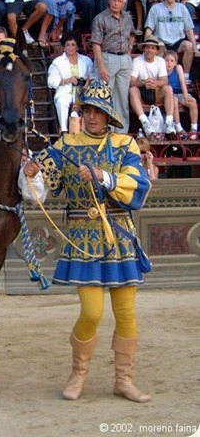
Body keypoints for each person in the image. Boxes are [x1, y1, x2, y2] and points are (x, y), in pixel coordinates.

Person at [34, 80, 152, 403]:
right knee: (92, 312)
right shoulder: (65, 145)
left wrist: (102, 176)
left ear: (108, 114)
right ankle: (78, 373)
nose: (91, 117)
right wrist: (32, 172)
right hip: (82, 236)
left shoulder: (124, 144)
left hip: (118, 235)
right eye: (86, 110)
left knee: (126, 311)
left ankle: (123, 380)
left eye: (97, 111)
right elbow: (43, 186)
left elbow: (138, 186)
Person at [91, 0, 135, 133]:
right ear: (109, 2)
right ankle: (105, 129)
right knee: (105, 95)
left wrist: (129, 49)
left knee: (122, 96)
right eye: (114, 0)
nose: (116, 3)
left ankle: (122, 131)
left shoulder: (127, 17)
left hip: (124, 58)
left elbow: (132, 34)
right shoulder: (100, 18)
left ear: (124, 3)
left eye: (119, 1)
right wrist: (101, 66)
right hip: (108, 56)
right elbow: (96, 43)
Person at [144, 0, 197, 86]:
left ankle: (186, 77)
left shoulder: (182, 8)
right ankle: (161, 77)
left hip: (178, 41)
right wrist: (147, 45)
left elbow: (189, 30)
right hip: (162, 40)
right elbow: (149, 30)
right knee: (160, 45)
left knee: (188, 46)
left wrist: (195, 48)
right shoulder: (156, 8)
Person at [47, 31, 93, 134]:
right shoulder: (57, 62)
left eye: (73, 45)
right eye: (68, 45)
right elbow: (51, 82)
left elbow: (92, 75)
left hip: (83, 91)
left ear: (77, 46)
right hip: (65, 91)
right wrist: (68, 80)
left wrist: (87, 83)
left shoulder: (86, 60)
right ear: (64, 47)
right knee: (62, 101)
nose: (70, 47)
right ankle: (64, 130)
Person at [129, 35, 176, 136]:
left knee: (168, 89)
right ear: (144, 48)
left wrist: (155, 83)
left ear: (156, 50)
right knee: (133, 90)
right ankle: (145, 122)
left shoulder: (161, 61)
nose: (150, 50)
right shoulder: (137, 60)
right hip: (142, 91)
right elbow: (132, 81)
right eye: (147, 47)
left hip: (156, 91)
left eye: (153, 48)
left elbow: (165, 80)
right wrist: (143, 82)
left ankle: (169, 122)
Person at [164, 50, 198, 139]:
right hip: (171, 95)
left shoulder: (178, 67)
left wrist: (186, 96)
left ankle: (194, 128)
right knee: (174, 101)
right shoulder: (162, 70)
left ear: (175, 63)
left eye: (172, 61)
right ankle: (179, 127)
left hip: (181, 93)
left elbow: (183, 82)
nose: (169, 63)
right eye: (167, 60)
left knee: (192, 103)